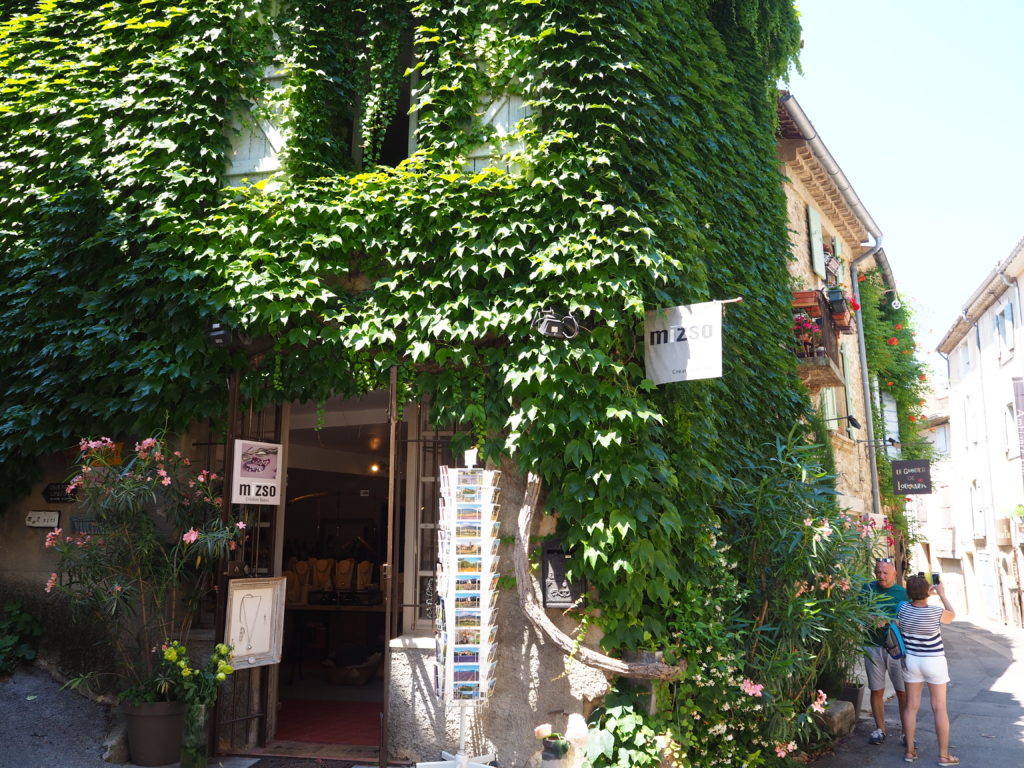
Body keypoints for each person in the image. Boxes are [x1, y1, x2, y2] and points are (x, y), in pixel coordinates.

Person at [898, 574, 957, 765]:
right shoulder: (935, 612)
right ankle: (943, 756)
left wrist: (921, 593)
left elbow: (910, 602)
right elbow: (952, 615)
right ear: (927, 592)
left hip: (912, 661)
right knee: (939, 708)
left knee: (911, 707)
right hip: (934, 662)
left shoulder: (903, 609)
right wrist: (941, 594)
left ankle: (909, 752)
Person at [863, 557, 908, 745]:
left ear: (894, 574)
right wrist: (871, 618)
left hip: (895, 648)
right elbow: (858, 611)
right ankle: (880, 729)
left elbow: (908, 618)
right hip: (872, 645)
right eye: (878, 572)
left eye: (885, 573)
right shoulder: (867, 589)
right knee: (876, 690)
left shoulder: (903, 593)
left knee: (902, 692)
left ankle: (907, 732)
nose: (881, 576)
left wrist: (890, 621)